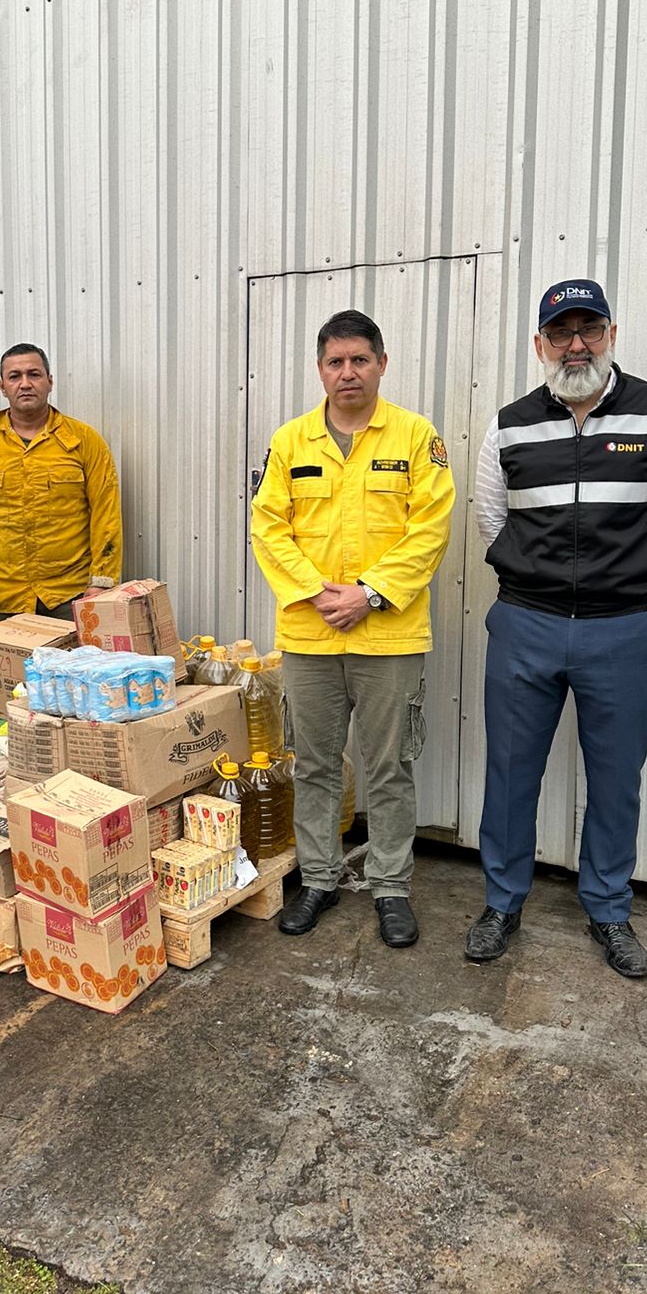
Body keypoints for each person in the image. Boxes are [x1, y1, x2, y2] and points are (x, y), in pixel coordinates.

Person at [468, 278, 647, 978]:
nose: (576, 345)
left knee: (615, 779)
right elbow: (493, 517)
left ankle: (608, 908)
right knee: (510, 771)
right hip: (526, 624)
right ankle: (501, 902)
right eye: (561, 332)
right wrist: (536, 581)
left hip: (623, 629)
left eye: (589, 329)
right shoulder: (509, 423)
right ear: (539, 343)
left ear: (610, 334)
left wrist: (637, 575)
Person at [251, 310, 455, 948]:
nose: (348, 373)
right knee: (314, 765)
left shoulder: (416, 438)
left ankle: (391, 887)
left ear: (381, 364)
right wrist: (318, 593)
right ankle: (318, 878)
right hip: (311, 636)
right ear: (320, 370)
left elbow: (431, 529)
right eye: (335, 362)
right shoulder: (290, 442)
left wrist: (368, 595)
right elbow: (268, 527)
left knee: (389, 766)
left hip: (388, 636)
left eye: (359, 360)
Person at [0, 343, 121, 631]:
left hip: (69, 597)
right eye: (14, 376)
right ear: (2, 386)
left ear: (49, 381)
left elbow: (106, 516)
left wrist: (102, 583)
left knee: (71, 676)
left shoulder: (85, 441)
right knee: (9, 678)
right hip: (1, 599)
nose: (24, 383)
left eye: (34, 374)